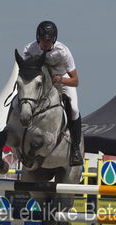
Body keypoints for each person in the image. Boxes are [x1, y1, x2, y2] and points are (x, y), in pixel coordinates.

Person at [22, 20, 83, 166]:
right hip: (41, 84)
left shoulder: (63, 52)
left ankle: (75, 150)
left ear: (54, 40)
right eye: (43, 40)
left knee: (74, 109)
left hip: (62, 81)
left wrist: (61, 79)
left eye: (48, 41)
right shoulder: (30, 49)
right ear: (38, 38)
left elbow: (75, 81)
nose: (45, 44)